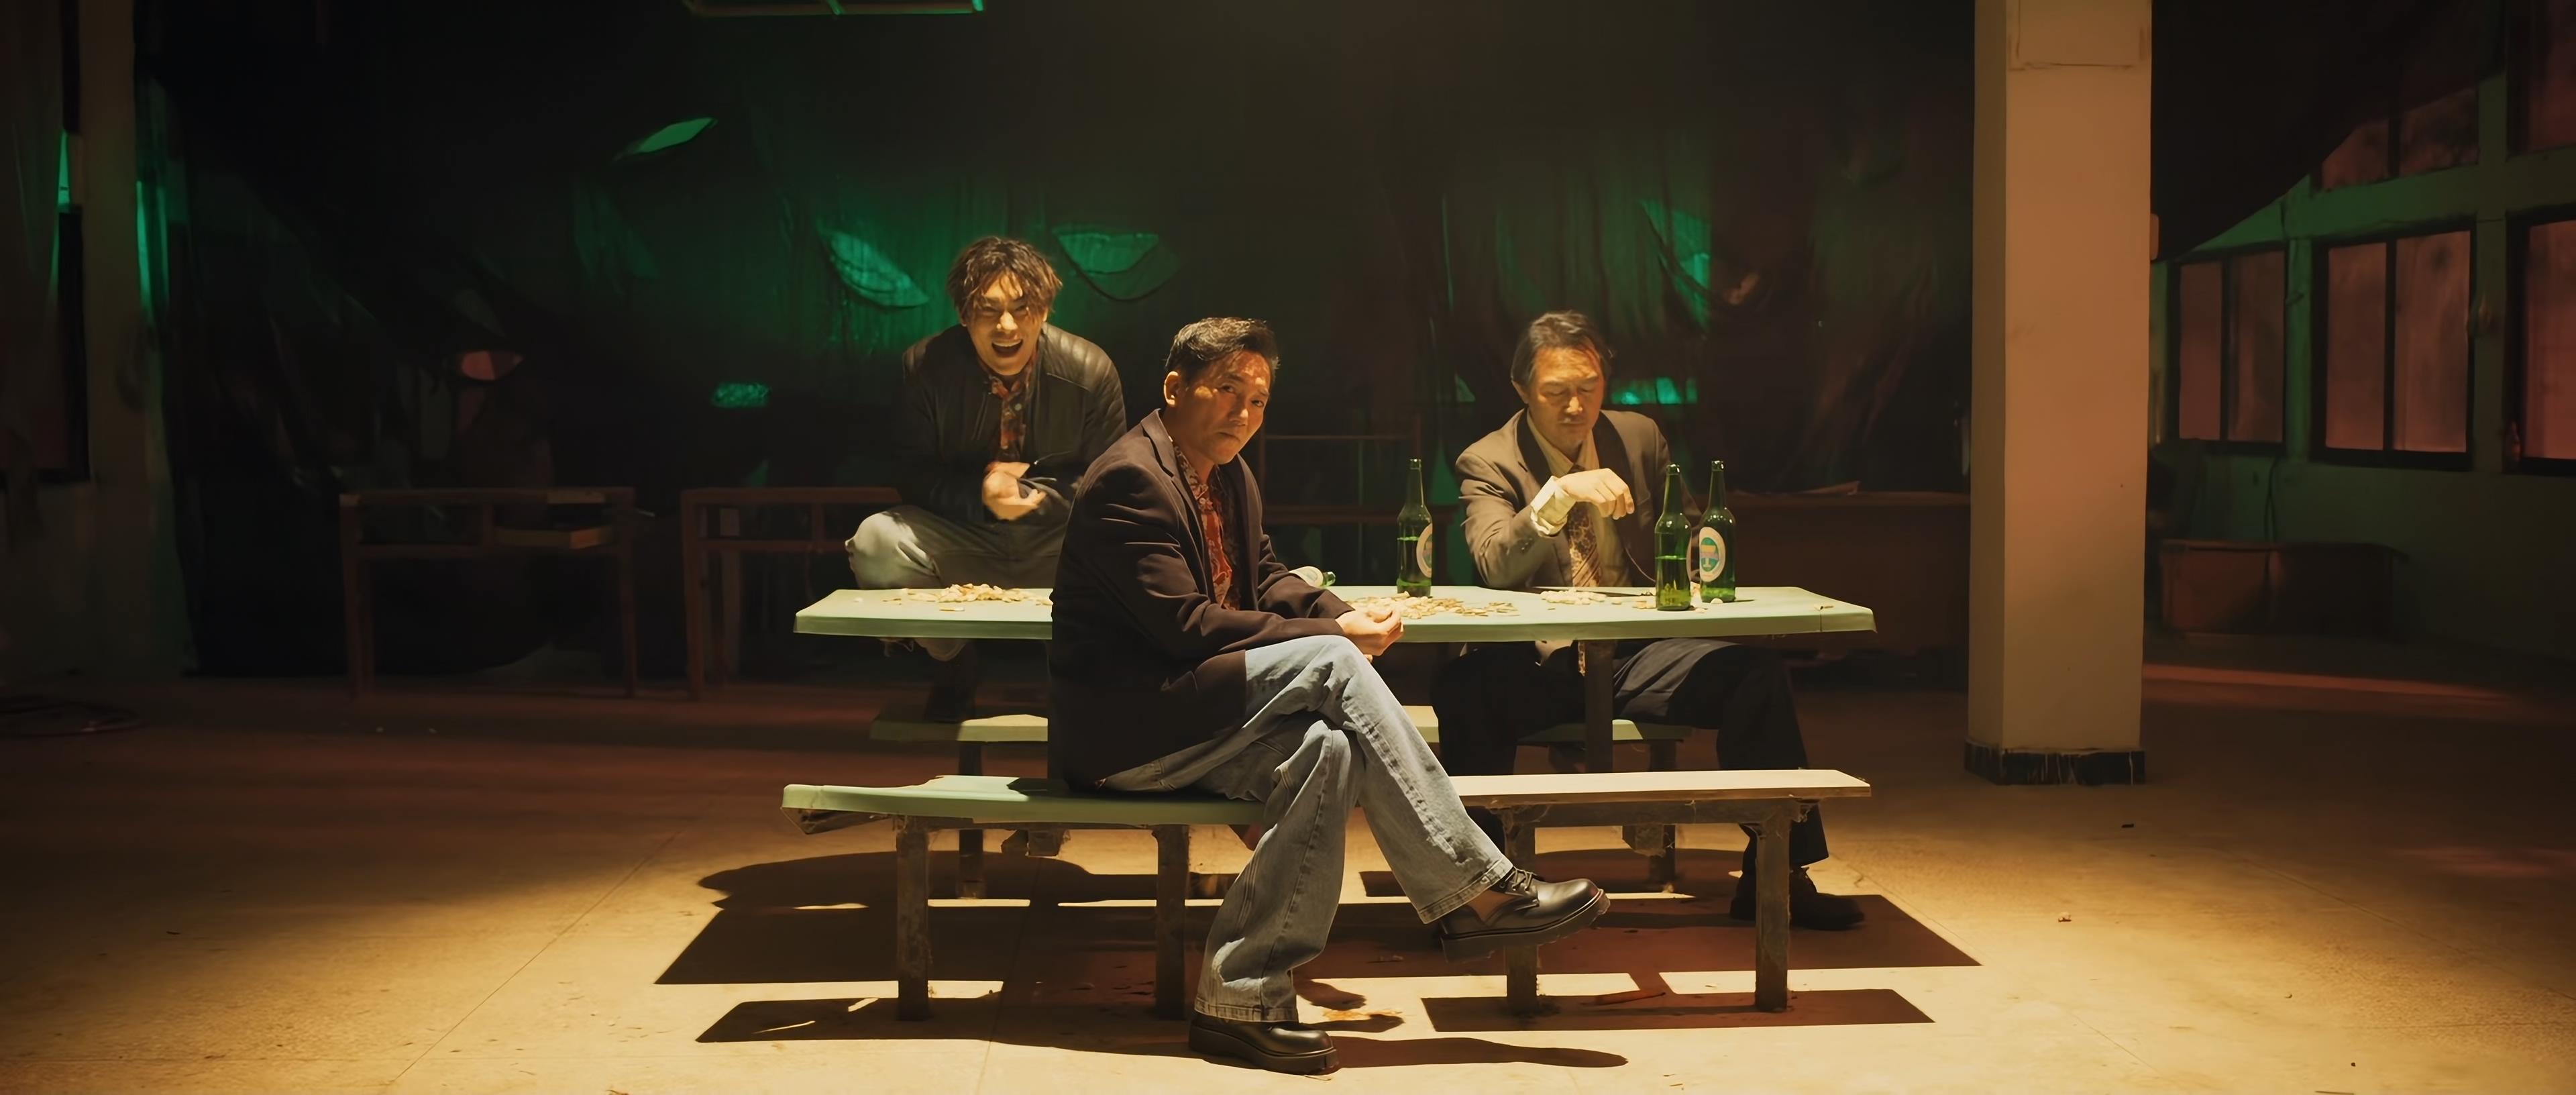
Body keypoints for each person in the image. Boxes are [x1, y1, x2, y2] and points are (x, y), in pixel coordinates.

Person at [1049, 317, 1607, 1074]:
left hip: (1194, 717)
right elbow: (1185, 627)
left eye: (1258, 400)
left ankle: (1241, 998)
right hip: (1130, 733)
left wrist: (1343, 613)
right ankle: (1478, 890)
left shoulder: (1228, 474)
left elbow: (1269, 576)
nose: (1244, 413)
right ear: (1175, 388)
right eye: (1227, 391)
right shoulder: (1130, 479)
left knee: (1328, 750)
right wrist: (1333, 636)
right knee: (1333, 662)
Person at [1429, 310, 1863, 930]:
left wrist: (1700, 560)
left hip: (1635, 653)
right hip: (1540, 660)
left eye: (1589, 388)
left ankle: (1779, 876)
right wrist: (1560, 494)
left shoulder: (1638, 438)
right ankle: (1483, 890)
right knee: (1464, 689)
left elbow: (1686, 534)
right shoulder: (1489, 459)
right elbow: (1495, 563)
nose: (1576, 407)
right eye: (1556, 392)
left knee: (1756, 678)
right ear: (1522, 389)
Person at [845, 236, 1126, 720]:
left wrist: (1029, 494)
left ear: (1045, 310)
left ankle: (1075, 674)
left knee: (1132, 543)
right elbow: (910, 471)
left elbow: (1111, 482)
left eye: (1022, 308)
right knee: (876, 541)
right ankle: (951, 662)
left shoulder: (1090, 370)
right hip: (965, 535)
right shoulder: (924, 367)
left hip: (1059, 545)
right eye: (988, 310)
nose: (1007, 326)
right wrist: (980, 495)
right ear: (963, 314)